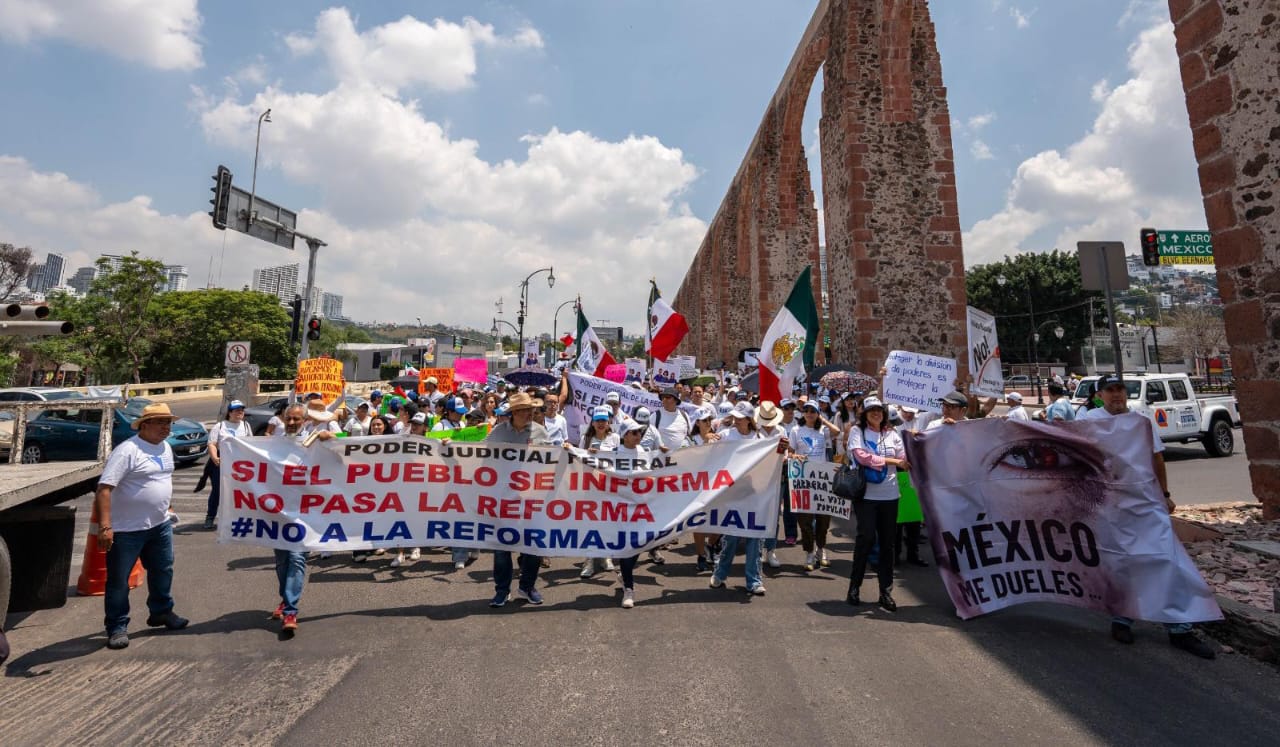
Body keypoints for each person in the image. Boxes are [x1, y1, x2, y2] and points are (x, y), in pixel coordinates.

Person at [1081, 374, 1215, 659]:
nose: (1117, 395)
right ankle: (1122, 619)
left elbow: (1157, 458)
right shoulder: (1091, 421)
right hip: (1112, 504)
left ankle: (1180, 628)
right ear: (1099, 395)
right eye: (1110, 390)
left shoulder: (1141, 421)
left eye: (1120, 389)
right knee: (1122, 562)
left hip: (1145, 501)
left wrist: (1165, 495)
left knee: (1166, 559)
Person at [95, 403, 189, 649]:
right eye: (160, 422)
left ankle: (161, 612)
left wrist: (167, 506)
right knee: (118, 580)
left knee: (163, 570)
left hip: (159, 526)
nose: (165, 428)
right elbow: (104, 489)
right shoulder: (128, 450)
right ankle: (116, 626)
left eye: (168, 422)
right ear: (144, 425)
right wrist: (105, 527)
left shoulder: (166, 448)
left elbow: (162, 479)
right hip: (127, 530)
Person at [485, 392, 550, 607]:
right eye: (525, 410)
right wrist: (451, 446)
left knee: (532, 547)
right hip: (504, 500)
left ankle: (527, 586)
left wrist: (565, 452)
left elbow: (550, 459)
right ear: (514, 412)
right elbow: (477, 453)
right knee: (502, 549)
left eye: (531, 409)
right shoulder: (499, 432)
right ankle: (502, 591)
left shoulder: (540, 432)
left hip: (532, 500)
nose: (530, 413)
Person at [846, 397, 909, 611]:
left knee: (888, 545)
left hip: (890, 495)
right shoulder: (858, 432)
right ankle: (854, 587)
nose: (876, 413)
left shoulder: (892, 434)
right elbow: (861, 457)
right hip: (866, 496)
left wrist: (917, 440)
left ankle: (886, 592)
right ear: (864, 413)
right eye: (871, 410)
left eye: (879, 410)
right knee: (865, 539)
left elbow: (904, 458)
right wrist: (892, 462)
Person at [268, 404, 317, 632]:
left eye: (296, 419)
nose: (291, 423)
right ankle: (285, 599)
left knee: (297, 559)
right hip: (279, 514)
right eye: (288, 418)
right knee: (282, 562)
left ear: (304, 421)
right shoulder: (273, 444)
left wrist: (329, 438)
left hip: (305, 514)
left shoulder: (315, 442)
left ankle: (290, 611)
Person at [709, 402, 767, 595]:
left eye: (741, 417)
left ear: (749, 419)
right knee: (731, 537)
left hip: (754, 493)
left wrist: (782, 450)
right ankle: (720, 573)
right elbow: (710, 452)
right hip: (732, 492)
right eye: (736, 416)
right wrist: (709, 438)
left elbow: (771, 458)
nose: (737, 420)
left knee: (754, 539)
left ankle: (754, 580)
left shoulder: (759, 437)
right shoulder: (726, 435)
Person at [601, 421, 656, 608]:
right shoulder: (614, 453)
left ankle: (624, 576)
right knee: (627, 548)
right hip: (620, 509)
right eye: (633, 432)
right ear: (625, 435)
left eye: (639, 432)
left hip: (640, 508)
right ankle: (629, 588)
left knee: (639, 545)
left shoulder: (645, 453)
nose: (638, 435)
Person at [789, 401, 841, 571]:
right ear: (802, 413)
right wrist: (795, 456)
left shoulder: (822, 430)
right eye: (806, 410)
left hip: (823, 481)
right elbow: (789, 451)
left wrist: (823, 420)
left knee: (823, 519)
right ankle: (809, 552)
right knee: (804, 520)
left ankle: (821, 549)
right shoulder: (796, 430)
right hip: (803, 479)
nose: (809, 413)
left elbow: (837, 432)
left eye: (813, 411)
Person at [204, 400, 252, 530]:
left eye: (241, 410)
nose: (239, 412)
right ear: (230, 412)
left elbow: (252, 445)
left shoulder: (246, 426)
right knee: (218, 491)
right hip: (221, 463)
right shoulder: (220, 426)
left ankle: (236, 519)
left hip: (240, 465)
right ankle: (210, 517)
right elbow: (212, 444)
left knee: (239, 492)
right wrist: (215, 457)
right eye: (236, 410)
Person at [753, 401, 789, 569]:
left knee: (773, 516)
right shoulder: (755, 432)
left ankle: (770, 550)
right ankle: (758, 549)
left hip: (776, 477)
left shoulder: (781, 431)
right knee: (759, 513)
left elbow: (785, 455)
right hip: (757, 479)